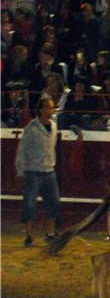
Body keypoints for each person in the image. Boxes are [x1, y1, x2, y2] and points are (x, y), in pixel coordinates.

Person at [15, 97, 61, 248]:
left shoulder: (54, 126)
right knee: (29, 204)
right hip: (32, 171)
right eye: (48, 108)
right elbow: (22, 150)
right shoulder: (32, 127)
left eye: (52, 108)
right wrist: (20, 171)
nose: (51, 110)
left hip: (49, 170)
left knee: (53, 202)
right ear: (41, 110)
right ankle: (29, 236)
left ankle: (50, 233)